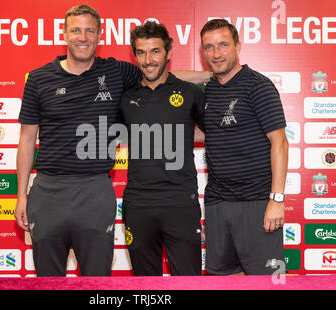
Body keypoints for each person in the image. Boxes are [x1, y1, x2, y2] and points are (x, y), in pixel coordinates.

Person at [15, 4, 211, 276]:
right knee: (47, 280)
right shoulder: (38, 78)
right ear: (64, 34)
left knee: (97, 281)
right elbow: (26, 140)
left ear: (99, 35)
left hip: (96, 189)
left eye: (89, 31)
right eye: (76, 30)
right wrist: (21, 195)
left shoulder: (116, 72)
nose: (82, 37)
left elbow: (162, 76)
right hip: (48, 191)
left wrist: (214, 74)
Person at [199, 19, 289, 275]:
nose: (216, 54)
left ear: (238, 46)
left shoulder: (257, 85)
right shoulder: (209, 90)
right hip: (218, 202)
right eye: (209, 47)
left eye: (223, 45)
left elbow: (280, 142)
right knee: (222, 278)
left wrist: (276, 200)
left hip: (258, 202)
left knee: (266, 280)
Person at [120, 21, 204, 276]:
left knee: (188, 282)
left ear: (168, 52)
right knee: (145, 286)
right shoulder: (124, 96)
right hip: (138, 204)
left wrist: (178, 134)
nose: (148, 60)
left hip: (181, 202)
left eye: (155, 51)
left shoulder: (190, 92)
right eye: (141, 52)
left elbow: (214, 132)